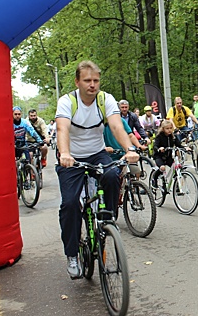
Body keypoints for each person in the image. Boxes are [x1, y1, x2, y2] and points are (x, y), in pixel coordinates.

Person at [55, 60, 139, 279]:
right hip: (71, 158)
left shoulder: (105, 99)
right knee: (70, 204)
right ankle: (72, 254)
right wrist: (65, 153)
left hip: (97, 153)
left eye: (96, 80)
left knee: (112, 174)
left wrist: (129, 149)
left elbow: (115, 125)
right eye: (87, 80)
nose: (92, 85)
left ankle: (108, 219)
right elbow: (62, 128)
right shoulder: (67, 101)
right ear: (77, 82)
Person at [150, 119, 186, 187]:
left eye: (170, 128)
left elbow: (179, 145)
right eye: (167, 128)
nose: (169, 130)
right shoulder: (159, 136)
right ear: (163, 129)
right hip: (159, 156)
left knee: (176, 168)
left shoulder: (173, 136)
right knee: (162, 168)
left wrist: (185, 148)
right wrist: (159, 149)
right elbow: (155, 146)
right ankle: (154, 179)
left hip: (168, 156)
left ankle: (177, 187)